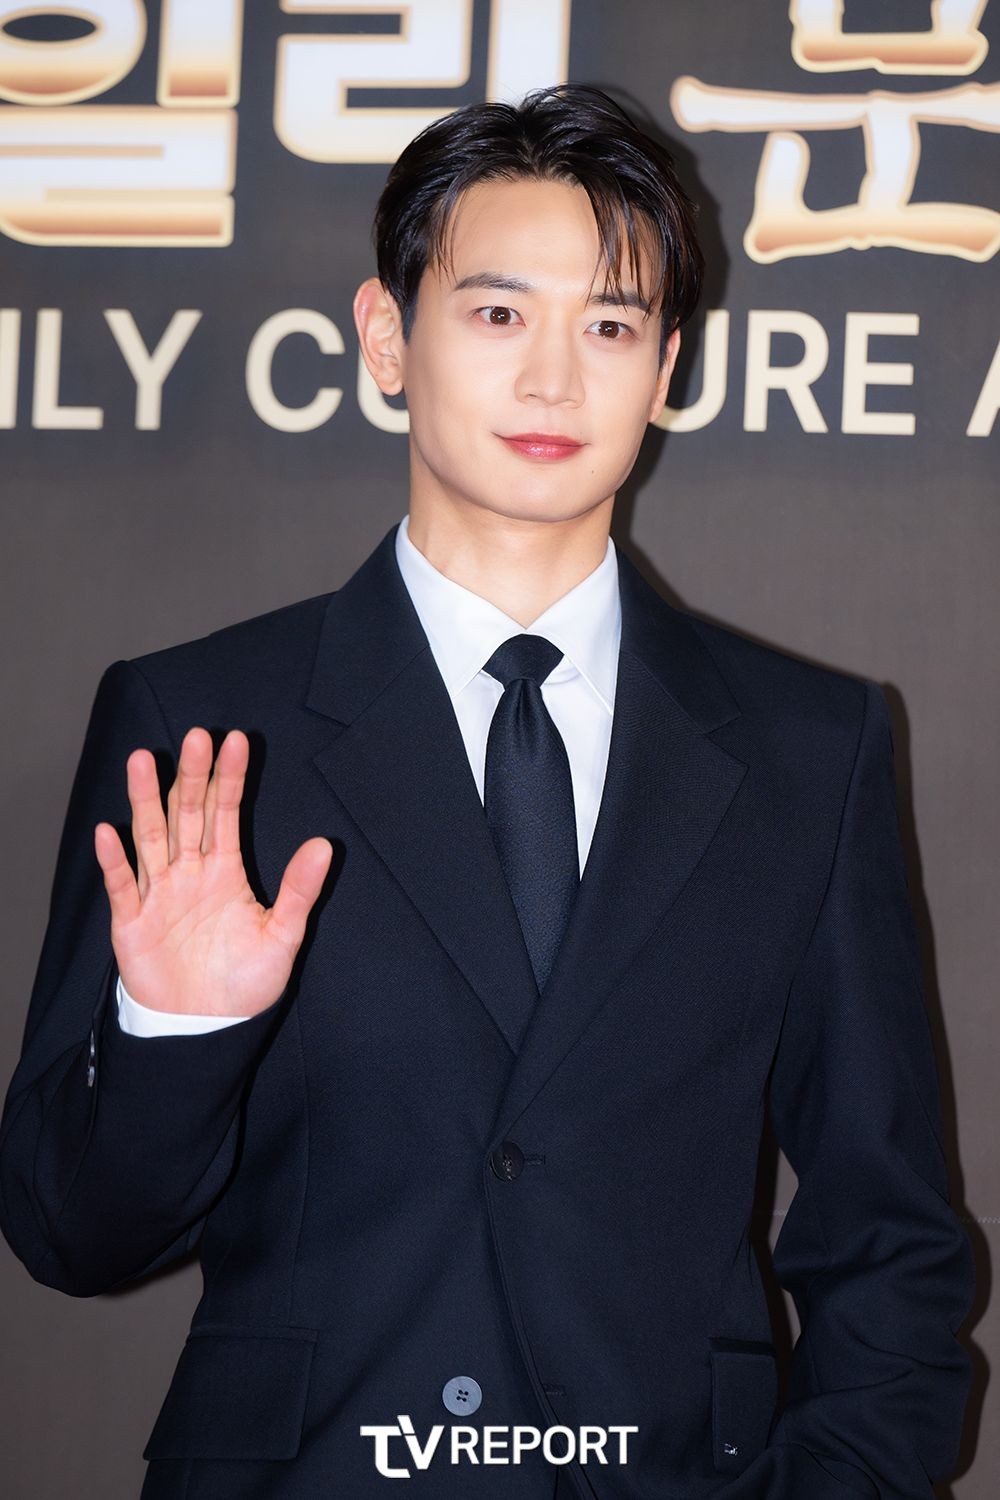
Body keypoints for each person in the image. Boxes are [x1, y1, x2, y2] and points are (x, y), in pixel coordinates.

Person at [0, 83, 974, 1500]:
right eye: (500, 313)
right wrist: (177, 1028)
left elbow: (889, 1236)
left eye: (611, 326)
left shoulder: (807, 750)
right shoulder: (205, 728)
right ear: (387, 338)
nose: (554, 381)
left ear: (668, 366)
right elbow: (72, 1234)